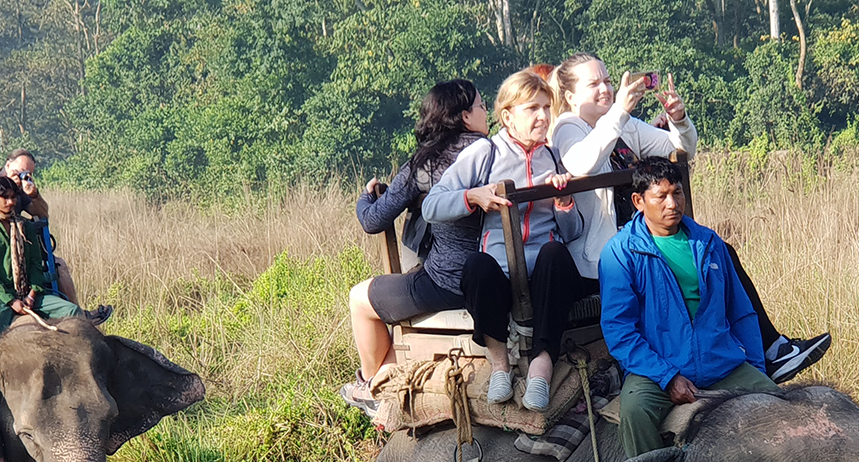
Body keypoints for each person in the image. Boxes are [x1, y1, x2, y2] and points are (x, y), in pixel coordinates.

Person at [549, 54, 830, 383]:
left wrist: (678, 120)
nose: (606, 89)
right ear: (570, 96)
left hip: (646, 241)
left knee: (719, 252)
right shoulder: (568, 127)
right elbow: (581, 162)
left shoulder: (621, 125)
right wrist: (620, 111)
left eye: (608, 81)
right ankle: (758, 353)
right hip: (607, 259)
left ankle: (767, 350)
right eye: (594, 84)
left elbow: (682, 148)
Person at [423, 69, 581, 412]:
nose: (542, 116)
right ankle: (499, 364)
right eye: (532, 109)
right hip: (500, 266)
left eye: (546, 107)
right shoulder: (486, 153)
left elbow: (572, 232)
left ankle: (542, 365)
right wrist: (472, 196)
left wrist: (564, 204)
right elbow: (431, 205)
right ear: (507, 115)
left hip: (542, 266)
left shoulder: (553, 157)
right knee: (476, 267)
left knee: (557, 254)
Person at [600, 158, 780, 458]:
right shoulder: (620, 253)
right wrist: (667, 377)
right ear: (638, 201)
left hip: (719, 363)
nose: (673, 203)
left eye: (678, 193)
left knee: (775, 401)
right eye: (661, 196)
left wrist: (757, 370)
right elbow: (619, 330)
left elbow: (741, 312)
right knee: (635, 413)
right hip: (656, 371)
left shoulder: (708, 241)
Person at [342, 80, 489, 413]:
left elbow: (373, 220)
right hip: (498, 275)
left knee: (358, 299)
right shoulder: (496, 154)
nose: (486, 112)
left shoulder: (426, 163)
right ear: (465, 116)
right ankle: (380, 381)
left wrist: (367, 196)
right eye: (481, 106)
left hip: (449, 282)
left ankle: (370, 389)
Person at [0, 175, 95, 352]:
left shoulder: (26, 227)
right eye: (4, 197)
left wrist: (32, 294)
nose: (10, 202)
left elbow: (36, 265)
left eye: (13, 197)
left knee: (73, 311)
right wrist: (10, 300)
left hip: (28, 293)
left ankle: (86, 353)